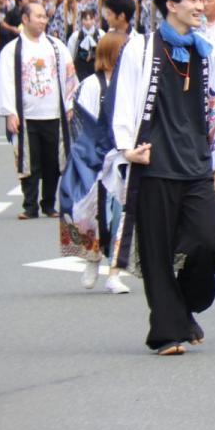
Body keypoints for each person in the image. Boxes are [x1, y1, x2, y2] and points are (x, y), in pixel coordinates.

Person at [109, 0, 215, 355]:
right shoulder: (141, 48)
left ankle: (184, 303)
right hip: (154, 165)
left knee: (208, 240)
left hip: (196, 165)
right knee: (157, 252)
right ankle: (167, 332)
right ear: (171, 5)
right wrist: (127, 147)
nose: (200, 5)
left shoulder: (208, 51)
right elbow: (123, 100)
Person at [0, 1, 78, 220]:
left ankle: (49, 203)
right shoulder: (12, 50)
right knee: (29, 162)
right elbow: (6, 82)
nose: (42, 21)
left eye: (44, 17)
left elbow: (69, 76)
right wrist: (10, 112)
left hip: (53, 114)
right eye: (37, 16)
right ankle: (30, 205)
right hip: (27, 116)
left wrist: (70, 104)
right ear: (25, 19)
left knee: (53, 161)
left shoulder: (56, 46)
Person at [59, 32, 132, 295]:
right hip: (96, 160)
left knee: (122, 216)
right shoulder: (92, 85)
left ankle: (115, 272)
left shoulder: (132, 83)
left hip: (125, 158)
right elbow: (83, 123)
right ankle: (92, 259)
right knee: (92, 215)